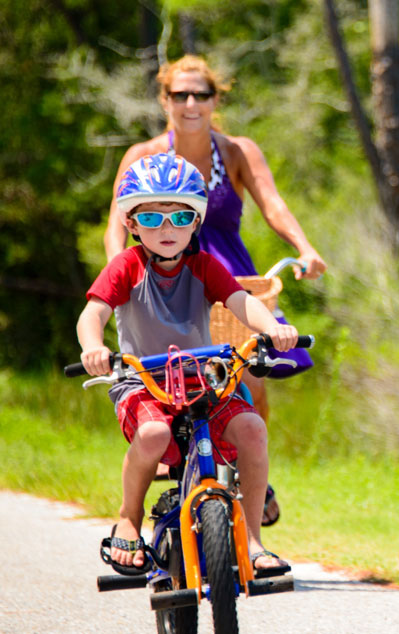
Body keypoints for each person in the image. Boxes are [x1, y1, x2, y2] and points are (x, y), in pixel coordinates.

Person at [104, 54, 327, 524]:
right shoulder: (143, 156)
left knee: (251, 372)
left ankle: (250, 476)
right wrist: (119, 271)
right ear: (165, 100)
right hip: (163, 278)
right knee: (169, 375)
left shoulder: (236, 151)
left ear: (215, 100)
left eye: (200, 94)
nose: (190, 103)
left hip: (227, 275)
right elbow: (115, 226)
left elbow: (273, 203)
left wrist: (305, 248)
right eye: (179, 94)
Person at [78, 153, 298, 574]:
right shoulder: (126, 266)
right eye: (153, 218)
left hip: (202, 378)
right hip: (142, 379)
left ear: (196, 223)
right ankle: (129, 515)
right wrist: (93, 346)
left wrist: (272, 328)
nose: (167, 230)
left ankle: (252, 540)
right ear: (131, 223)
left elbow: (241, 301)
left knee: (252, 427)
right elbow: (94, 313)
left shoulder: (204, 265)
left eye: (180, 219)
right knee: (154, 433)